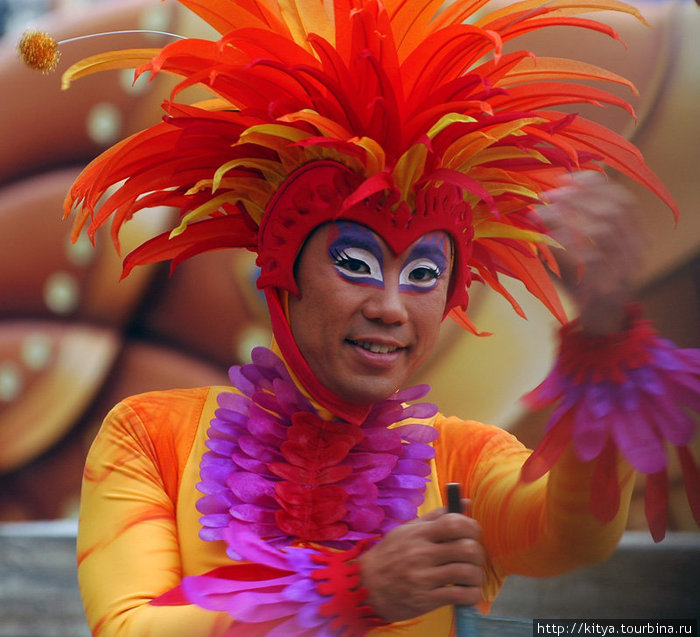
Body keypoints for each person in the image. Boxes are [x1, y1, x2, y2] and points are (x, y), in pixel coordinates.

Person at [25, 0, 696, 634]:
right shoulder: (150, 436)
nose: (390, 306)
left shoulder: (464, 458)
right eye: (355, 261)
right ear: (282, 270)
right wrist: (348, 591)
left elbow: (576, 529)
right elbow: (131, 626)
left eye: (425, 274)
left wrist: (605, 338)